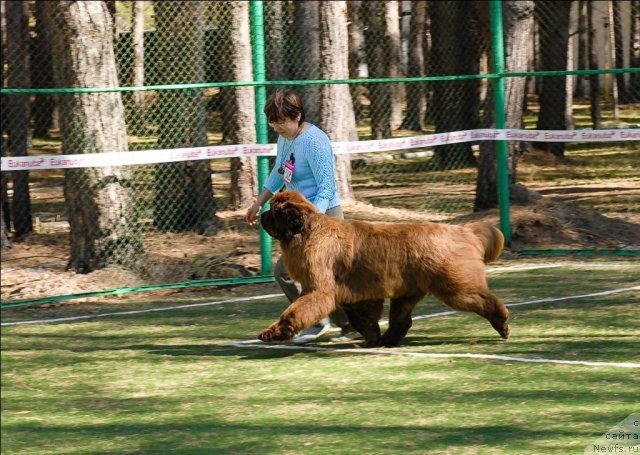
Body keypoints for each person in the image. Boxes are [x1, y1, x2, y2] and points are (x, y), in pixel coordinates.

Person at [246, 89, 359, 344]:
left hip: (323, 216)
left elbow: (327, 188)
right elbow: (279, 171)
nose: (277, 128)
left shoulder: (316, 141)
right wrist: (258, 202)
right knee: (292, 274)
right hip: (300, 220)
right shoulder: (287, 138)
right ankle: (325, 321)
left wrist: (311, 223)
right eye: (273, 123)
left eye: (281, 122)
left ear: (297, 116)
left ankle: (346, 324)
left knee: (316, 275)